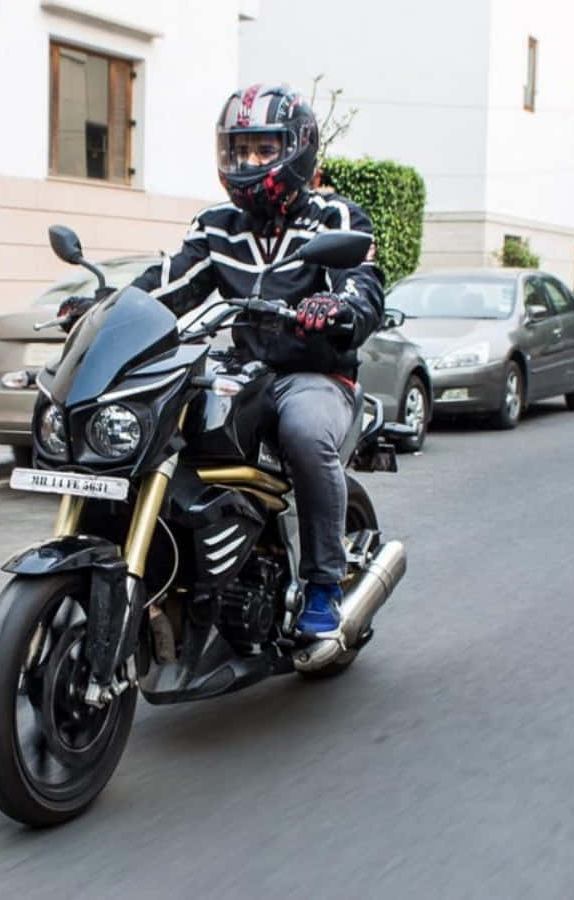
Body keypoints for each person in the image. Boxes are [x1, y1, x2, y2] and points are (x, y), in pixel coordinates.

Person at [58, 83, 385, 637]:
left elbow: (363, 287)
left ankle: (323, 585)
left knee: (305, 432)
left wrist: (338, 309)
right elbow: (171, 282)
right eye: (239, 150)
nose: (249, 162)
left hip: (314, 375)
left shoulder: (335, 218)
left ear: (299, 149)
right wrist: (105, 307)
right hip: (244, 369)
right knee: (161, 423)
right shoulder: (217, 226)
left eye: (264, 149)